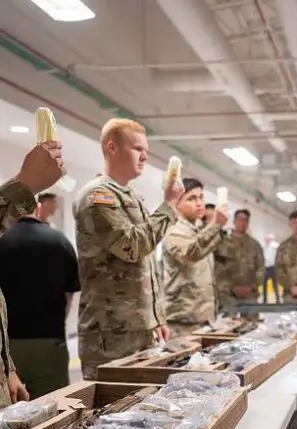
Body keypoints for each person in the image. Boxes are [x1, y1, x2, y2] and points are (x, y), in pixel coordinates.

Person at [73, 118, 183, 380]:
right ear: (112, 148)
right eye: (137, 148)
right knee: (113, 402)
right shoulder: (97, 197)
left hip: (138, 329)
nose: (145, 156)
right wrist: (168, 205)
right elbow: (132, 247)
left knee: (139, 400)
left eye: (146, 150)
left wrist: (156, 317)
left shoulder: (131, 197)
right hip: (110, 332)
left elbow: (146, 265)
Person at [0, 141, 65, 405]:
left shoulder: (8, 239)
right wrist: (25, 183)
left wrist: (7, 369)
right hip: (48, 336)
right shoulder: (58, 240)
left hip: (13, 346)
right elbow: (69, 292)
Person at [0, 201, 80, 399]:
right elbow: (69, 294)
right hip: (50, 341)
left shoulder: (3, 241)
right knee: (52, 406)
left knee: (9, 411)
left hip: (9, 347)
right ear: (37, 207)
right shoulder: (60, 241)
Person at [163, 178, 228, 336]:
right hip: (182, 323)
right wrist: (215, 224)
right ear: (177, 202)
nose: (199, 203)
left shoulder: (196, 231)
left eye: (201, 197)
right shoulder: (173, 229)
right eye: (191, 199)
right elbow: (190, 254)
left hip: (202, 319)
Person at [216, 209, 264, 312]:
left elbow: (261, 268)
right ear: (234, 221)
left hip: (250, 297)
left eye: (245, 220)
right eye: (240, 219)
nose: (242, 222)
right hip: (227, 297)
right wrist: (231, 288)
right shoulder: (223, 244)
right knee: (228, 322)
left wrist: (251, 287)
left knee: (251, 322)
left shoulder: (255, 245)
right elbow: (217, 269)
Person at [262, 233, 280, 303]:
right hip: (265, 267)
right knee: (264, 284)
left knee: (275, 284)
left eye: (269, 239)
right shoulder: (264, 247)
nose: (267, 240)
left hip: (273, 267)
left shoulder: (275, 246)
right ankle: (264, 300)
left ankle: (278, 300)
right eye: (266, 239)